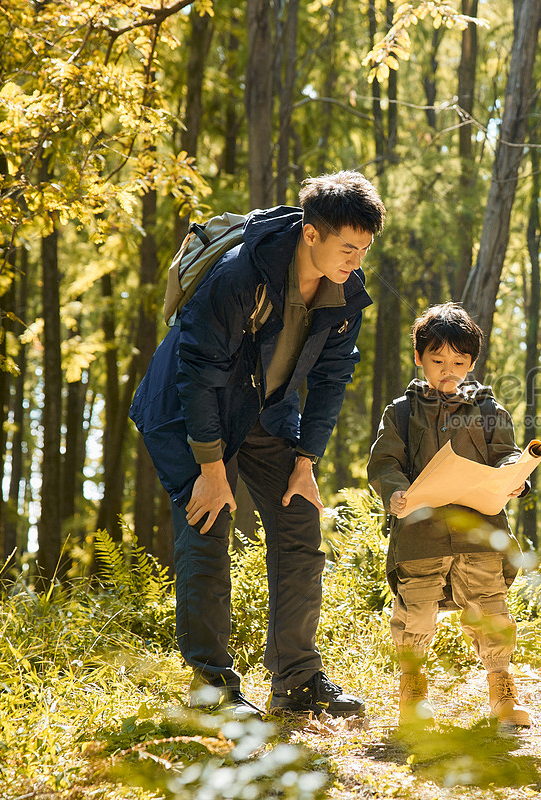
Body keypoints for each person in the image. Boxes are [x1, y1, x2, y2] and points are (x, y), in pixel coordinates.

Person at [129, 170, 385, 719]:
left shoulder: (345, 295)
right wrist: (211, 467)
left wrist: (306, 461)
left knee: (299, 524)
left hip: (266, 414)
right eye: (347, 247)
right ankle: (212, 694)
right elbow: (197, 371)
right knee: (207, 527)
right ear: (310, 235)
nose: (355, 260)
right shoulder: (239, 275)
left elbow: (333, 377)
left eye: (364, 249)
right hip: (190, 413)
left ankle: (296, 680)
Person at [367, 303, 533, 728]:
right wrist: (396, 491)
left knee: (490, 608)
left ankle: (502, 690)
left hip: (480, 532)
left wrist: (514, 476)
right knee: (416, 611)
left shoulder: (491, 411)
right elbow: (384, 462)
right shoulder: (401, 412)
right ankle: (413, 692)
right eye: (437, 360)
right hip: (420, 532)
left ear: (472, 363)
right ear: (419, 358)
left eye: (459, 362)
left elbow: (506, 455)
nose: (448, 370)